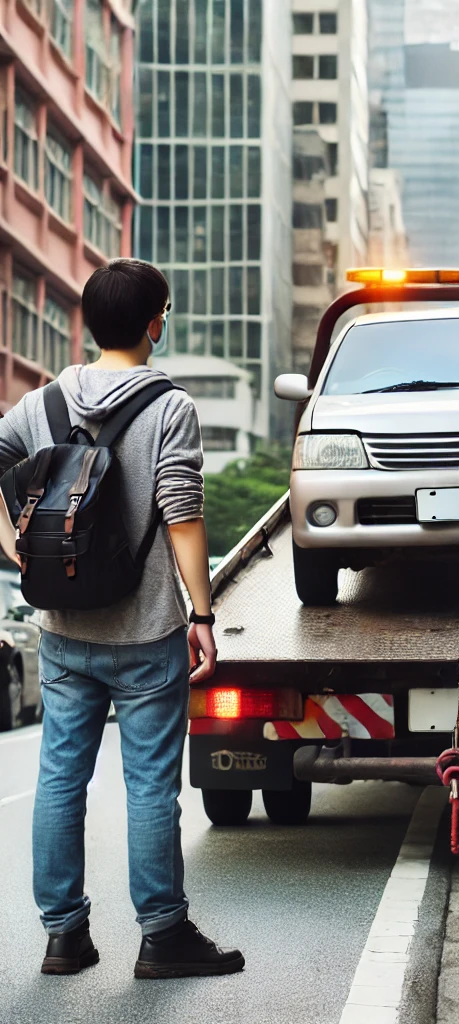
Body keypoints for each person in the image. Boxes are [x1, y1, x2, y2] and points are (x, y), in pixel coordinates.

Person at [0, 260, 243, 979]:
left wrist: (17, 548)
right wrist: (202, 612)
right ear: (154, 323)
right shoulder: (170, 408)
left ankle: (63, 936)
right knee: (149, 787)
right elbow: (184, 517)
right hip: (146, 635)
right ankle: (163, 934)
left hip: (65, 631)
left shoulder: (39, 404)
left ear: (87, 324)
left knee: (59, 780)